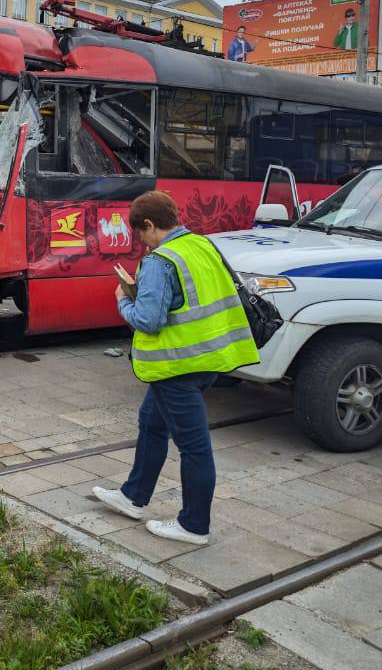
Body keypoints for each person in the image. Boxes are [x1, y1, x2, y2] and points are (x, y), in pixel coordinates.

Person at [93, 191, 260, 545]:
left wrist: (124, 300)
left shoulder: (159, 261)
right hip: (209, 358)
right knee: (152, 423)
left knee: (193, 446)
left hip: (177, 365)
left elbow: (148, 321)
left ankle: (194, 525)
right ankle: (133, 496)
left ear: (150, 225)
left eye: (140, 233)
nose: (141, 241)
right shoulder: (202, 245)